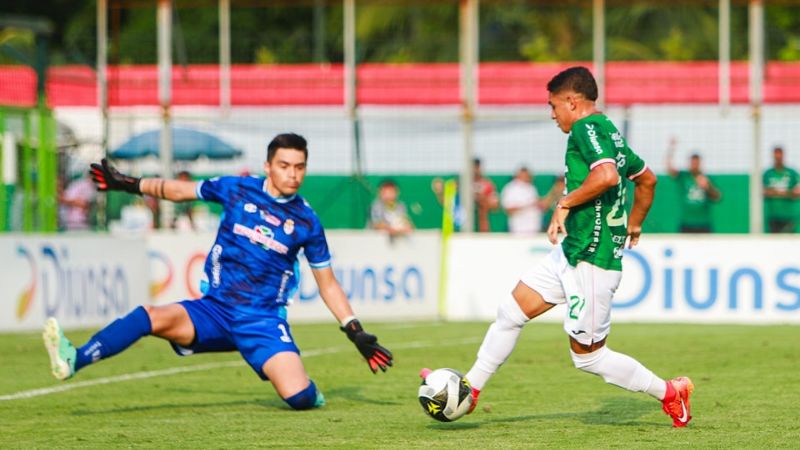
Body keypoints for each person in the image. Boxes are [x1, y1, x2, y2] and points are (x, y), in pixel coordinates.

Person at [43, 133, 393, 410]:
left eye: (299, 167)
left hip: (262, 321)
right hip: (215, 310)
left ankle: (303, 387)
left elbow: (327, 284)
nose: (293, 174)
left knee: (299, 399)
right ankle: (75, 359)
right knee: (148, 316)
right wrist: (131, 184)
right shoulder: (237, 189)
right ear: (268, 165)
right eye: (285, 165)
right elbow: (182, 191)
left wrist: (354, 330)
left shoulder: (307, 221)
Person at [427, 67, 693, 428]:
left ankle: (670, 392)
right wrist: (635, 222)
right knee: (511, 312)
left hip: (592, 260)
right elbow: (646, 179)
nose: (552, 114)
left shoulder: (588, 128)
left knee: (588, 358)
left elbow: (608, 176)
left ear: (571, 101)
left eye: (553, 105)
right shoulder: (609, 133)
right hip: (571, 252)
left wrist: (564, 203)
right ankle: (470, 390)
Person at [666, 140, 721, 233]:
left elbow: (717, 197)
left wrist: (708, 187)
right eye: (693, 162)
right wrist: (671, 149)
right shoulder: (683, 176)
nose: (695, 165)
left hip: (703, 223)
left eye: (697, 162)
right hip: (686, 223)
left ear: (700, 163)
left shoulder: (707, 178)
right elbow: (670, 169)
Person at [763, 146, 800, 233]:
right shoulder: (768, 173)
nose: (778, 158)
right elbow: (765, 192)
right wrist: (785, 193)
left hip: (789, 216)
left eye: (780, 156)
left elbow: (797, 192)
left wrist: (778, 192)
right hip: (773, 216)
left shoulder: (792, 173)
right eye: (776, 156)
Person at [473, 158, 499, 232]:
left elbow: (495, 206)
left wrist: (482, 199)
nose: (475, 170)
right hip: (464, 226)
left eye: (477, 167)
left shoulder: (487, 184)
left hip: (482, 226)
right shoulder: (462, 184)